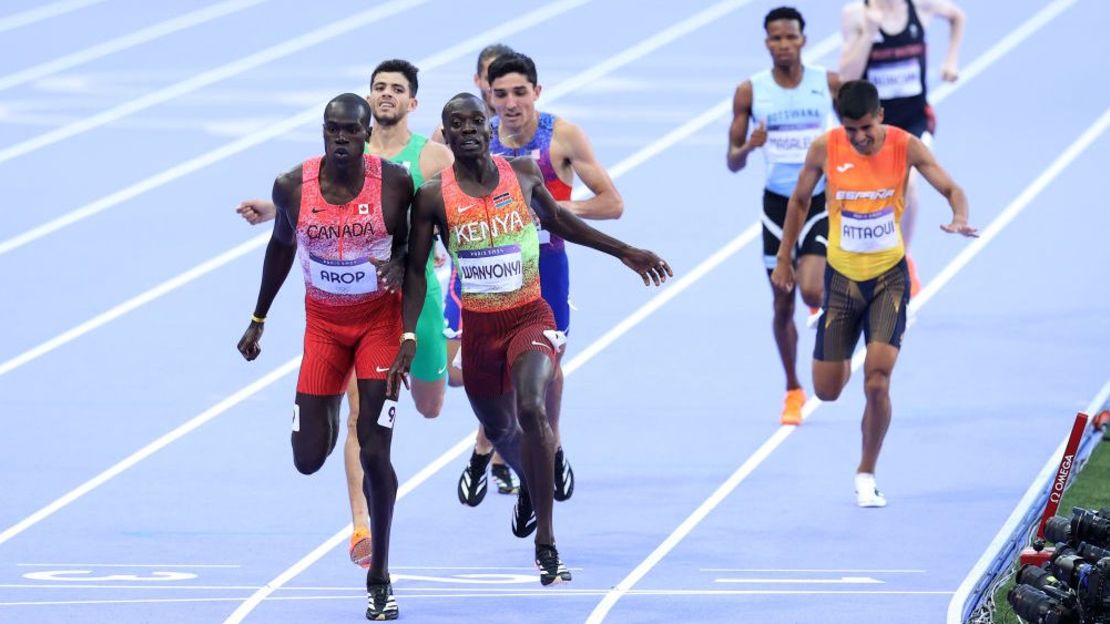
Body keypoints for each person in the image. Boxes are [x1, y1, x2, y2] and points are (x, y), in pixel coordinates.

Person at [388, 93, 670, 584]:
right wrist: (409, 334)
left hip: (529, 316)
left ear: (489, 125)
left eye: (478, 120)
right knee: (499, 430)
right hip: (480, 329)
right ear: (447, 136)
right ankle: (529, 480)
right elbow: (414, 271)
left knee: (533, 408)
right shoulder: (433, 196)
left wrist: (625, 251)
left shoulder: (521, 174)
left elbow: (559, 221)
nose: (471, 130)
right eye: (459, 124)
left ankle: (547, 542)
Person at [236, 60, 453, 571]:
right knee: (311, 456)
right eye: (332, 130)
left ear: (365, 133)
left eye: (349, 131)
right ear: (325, 132)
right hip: (327, 327)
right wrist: (258, 318)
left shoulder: (402, 179)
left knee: (429, 407)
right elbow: (282, 243)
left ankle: (381, 567)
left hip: (387, 315)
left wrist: (408, 268)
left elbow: (423, 231)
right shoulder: (293, 184)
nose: (341, 138)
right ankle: (361, 524)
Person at [771, 80, 976, 507]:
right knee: (826, 391)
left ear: (880, 116)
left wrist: (959, 216)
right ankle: (839, 343)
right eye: (851, 130)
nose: (860, 138)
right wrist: (786, 258)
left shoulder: (905, 146)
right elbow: (798, 203)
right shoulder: (825, 148)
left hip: (889, 279)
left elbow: (953, 187)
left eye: (866, 128)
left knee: (878, 382)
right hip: (842, 281)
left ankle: (866, 473)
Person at [454, 50, 625, 507]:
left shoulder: (561, 136)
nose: (510, 103)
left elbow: (612, 203)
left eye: (519, 93)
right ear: (487, 95)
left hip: (545, 271)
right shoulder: (470, 136)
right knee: (476, 374)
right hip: (484, 272)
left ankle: (541, 449)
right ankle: (496, 451)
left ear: (537, 93)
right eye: (500, 94)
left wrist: (556, 210)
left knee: (541, 371)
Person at [727, 6, 840, 425]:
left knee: (811, 291)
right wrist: (750, 146)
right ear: (767, 43)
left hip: (818, 200)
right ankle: (793, 388)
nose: (784, 45)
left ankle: (828, 312)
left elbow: (860, 132)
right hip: (776, 206)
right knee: (781, 302)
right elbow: (732, 161)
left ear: (803, 40)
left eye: (790, 37)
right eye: (776, 38)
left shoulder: (827, 84)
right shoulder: (750, 92)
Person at [839, 0, 966, 295]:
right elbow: (847, 76)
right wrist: (868, 33)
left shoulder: (920, 6)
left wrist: (951, 59)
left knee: (908, 187)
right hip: (871, 126)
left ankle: (902, 260)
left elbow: (957, 16)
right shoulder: (855, 15)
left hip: (914, 119)